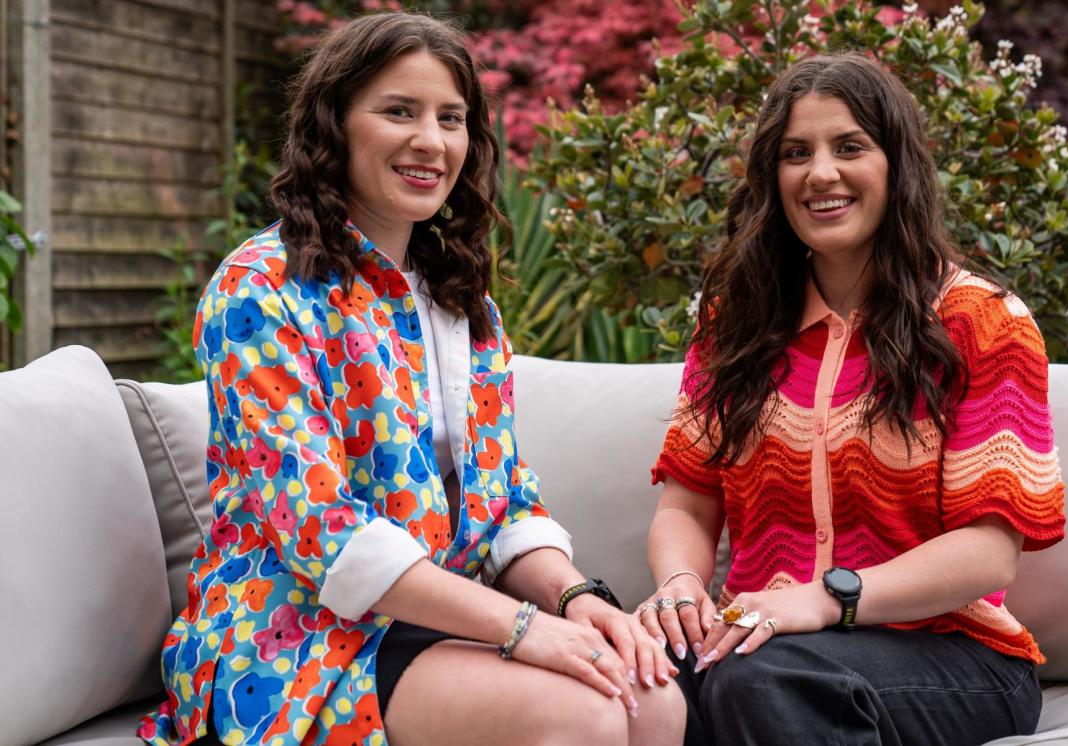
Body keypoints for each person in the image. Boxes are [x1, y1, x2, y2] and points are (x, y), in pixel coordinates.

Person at [139, 12, 684, 746]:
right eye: (400, 111)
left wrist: (577, 599)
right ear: (335, 125)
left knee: (653, 699)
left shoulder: (463, 301)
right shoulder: (259, 291)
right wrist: (524, 629)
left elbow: (505, 502)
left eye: (451, 118)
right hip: (293, 641)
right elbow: (325, 532)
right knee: (582, 712)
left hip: (434, 622)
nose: (431, 140)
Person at [639, 53, 1066, 746]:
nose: (821, 174)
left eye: (849, 147)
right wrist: (682, 585)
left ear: (897, 165)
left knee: (766, 679)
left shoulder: (981, 322)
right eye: (795, 153)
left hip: (952, 655)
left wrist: (824, 600)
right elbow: (688, 502)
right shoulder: (736, 324)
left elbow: (990, 551)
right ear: (772, 178)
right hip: (757, 642)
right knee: (628, 665)